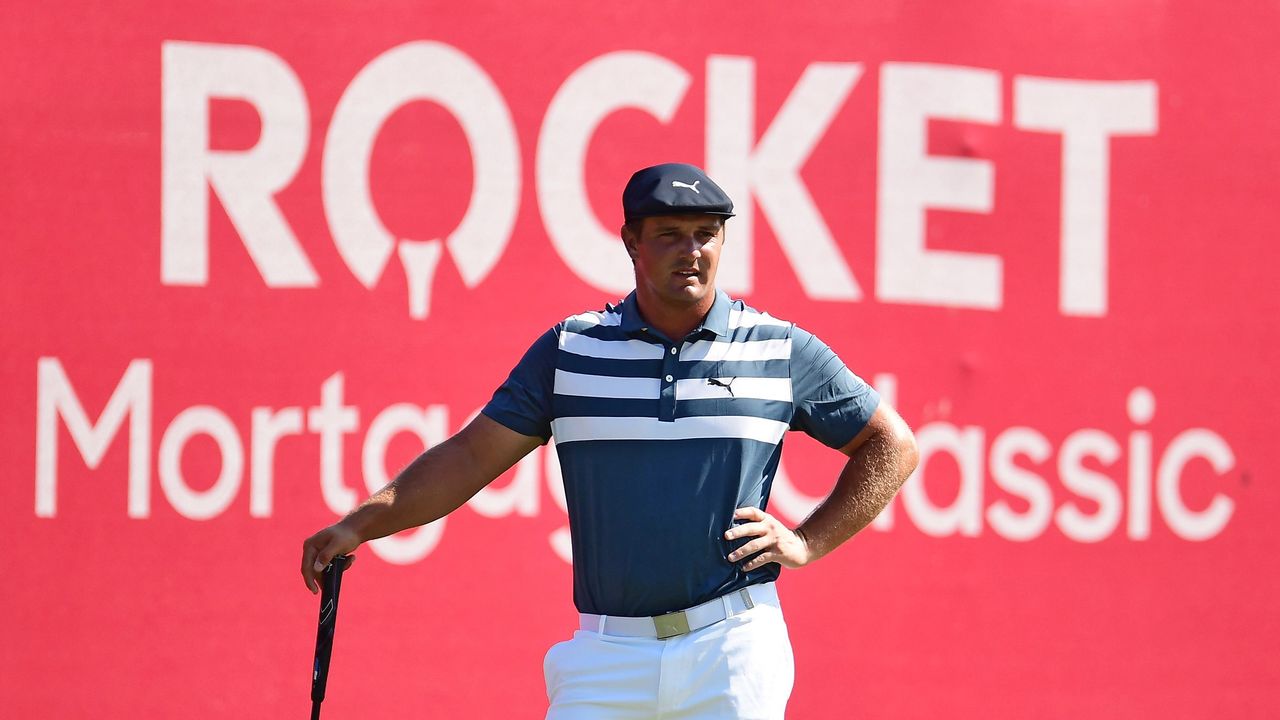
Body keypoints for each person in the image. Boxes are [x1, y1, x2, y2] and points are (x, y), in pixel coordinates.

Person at [300, 162, 920, 719]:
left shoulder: (779, 348)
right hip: (605, 655)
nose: (691, 251)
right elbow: (469, 456)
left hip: (733, 648)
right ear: (631, 241)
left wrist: (807, 541)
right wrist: (362, 523)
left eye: (706, 234)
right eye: (669, 235)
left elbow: (892, 444)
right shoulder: (571, 350)